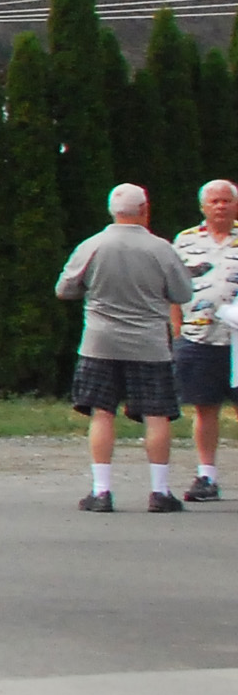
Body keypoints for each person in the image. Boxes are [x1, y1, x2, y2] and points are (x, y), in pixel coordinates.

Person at [59, 182, 193, 513]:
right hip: (148, 343)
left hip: (100, 341)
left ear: (111, 210)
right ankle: (159, 492)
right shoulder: (161, 249)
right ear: (145, 209)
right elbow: (183, 293)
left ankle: (101, 491)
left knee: (102, 412)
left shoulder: (93, 245)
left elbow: (65, 288)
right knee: (157, 414)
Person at [172, 178, 237, 499]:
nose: (221, 206)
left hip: (237, 342)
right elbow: (171, 288)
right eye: (214, 201)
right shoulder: (184, 241)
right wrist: (176, 330)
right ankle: (206, 476)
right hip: (198, 336)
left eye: (226, 200)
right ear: (203, 207)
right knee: (204, 407)